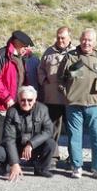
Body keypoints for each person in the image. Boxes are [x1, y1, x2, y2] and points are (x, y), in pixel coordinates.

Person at [58, 28, 97, 179]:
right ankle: (76, 166)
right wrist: (66, 94)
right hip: (74, 104)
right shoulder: (70, 57)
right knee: (75, 137)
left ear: (94, 42)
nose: (86, 42)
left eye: (89, 40)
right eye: (83, 39)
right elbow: (60, 78)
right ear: (79, 40)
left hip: (94, 103)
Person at [0, 86, 56, 181]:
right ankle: (8, 168)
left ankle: (41, 169)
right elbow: (9, 139)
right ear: (18, 99)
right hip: (16, 147)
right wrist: (14, 163)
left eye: (29, 100)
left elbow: (48, 131)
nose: (26, 103)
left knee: (51, 143)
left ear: (35, 100)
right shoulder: (12, 111)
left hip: (33, 148)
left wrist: (31, 144)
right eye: (23, 100)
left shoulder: (42, 109)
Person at [0, 30, 33, 151]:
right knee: (5, 134)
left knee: (14, 134)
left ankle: (11, 158)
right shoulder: (1, 55)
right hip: (1, 104)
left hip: (15, 103)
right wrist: (7, 98)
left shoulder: (21, 57)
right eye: (24, 46)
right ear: (16, 43)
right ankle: (3, 159)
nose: (26, 49)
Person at [38, 26, 73, 167]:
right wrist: (44, 80)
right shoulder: (49, 52)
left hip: (70, 98)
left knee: (72, 129)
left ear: (69, 38)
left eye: (63, 38)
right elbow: (40, 69)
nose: (60, 40)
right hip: (52, 97)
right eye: (58, 37)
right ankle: (52, 156)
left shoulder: (75, 52)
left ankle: (73, 157)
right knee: (52, 128)